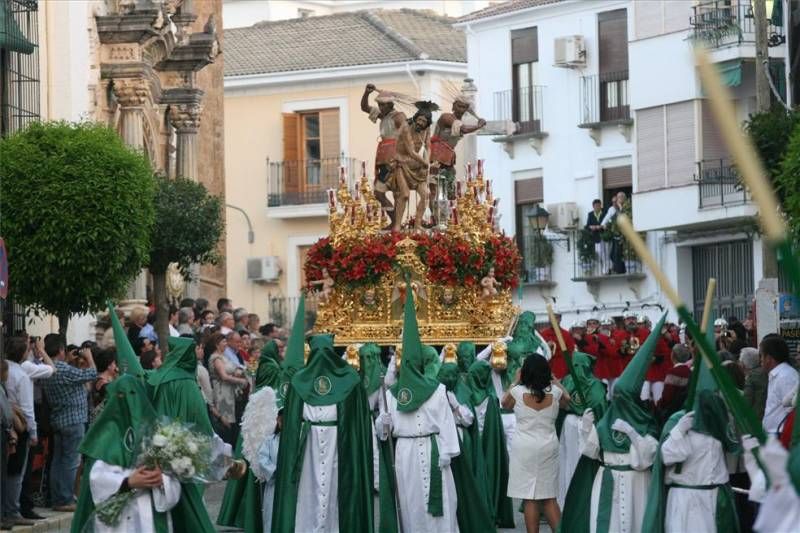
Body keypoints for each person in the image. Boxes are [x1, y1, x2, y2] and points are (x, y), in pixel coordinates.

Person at [569, 314, 665, 533]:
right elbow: (591, 452)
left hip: (637, 484)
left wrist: (633, 434)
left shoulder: (646, 424)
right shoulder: (605, 423)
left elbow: (648, 458)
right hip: (608, 481)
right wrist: (586, 427)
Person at [271, 334, 374, 532]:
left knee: (336, 487)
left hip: (339, 442)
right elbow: (292, 419)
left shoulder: (349, 379)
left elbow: (357, 420)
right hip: (309, 445)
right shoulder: (300, 381)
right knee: (308, 489)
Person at [378, 288, 460, 533]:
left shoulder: (437, 390)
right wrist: (381, 423)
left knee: (442, 503)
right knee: (411, 502)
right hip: (406, 453)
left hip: (434, 451)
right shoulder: (392, 395)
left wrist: (447, 450)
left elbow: (446, 422)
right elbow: (385, 432)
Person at [70, 374, 181, 533]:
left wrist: (162, 479)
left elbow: (173, 477)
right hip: (119, 522)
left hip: (150, 515)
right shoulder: (103, 437)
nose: (130, 402)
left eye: (134, 394)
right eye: (123, 395)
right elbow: (96, 479)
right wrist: (127, 482)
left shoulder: (156, 434)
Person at [643, 362, 741, 533]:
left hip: (715, 499)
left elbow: (732, 449)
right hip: (687, 502)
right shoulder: (678, 421)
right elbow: (666, 457)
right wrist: (679, 432)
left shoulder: (718, 419)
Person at [148, 337, 233, 533]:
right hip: (185, 449)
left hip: (162, 443)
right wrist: (216, 445)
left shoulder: (161, 376)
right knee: (190, 504)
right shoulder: (186, 381)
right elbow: (200, 418)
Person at [216, 339, 282, 532]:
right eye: (278, 347)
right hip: (262, 425)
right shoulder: (270, 371)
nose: (281, 350)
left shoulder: (266, 366)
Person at [502, 354, 570, 533]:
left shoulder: (517, 392)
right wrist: (555, 381)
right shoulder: (555, 393)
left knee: (529, 498)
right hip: (548, 446)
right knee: (549, 497)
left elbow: (504, 403)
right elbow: (568, 401)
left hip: (524, 447)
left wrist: (515, 381)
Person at [42, 334, 97, 513]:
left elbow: (79, 382)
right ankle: (65, 499)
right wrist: (89, 358)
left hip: (58, 419)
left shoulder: (47, 369)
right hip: (73, 420)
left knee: (58, 461)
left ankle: (57, 497)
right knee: (71, 461)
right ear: (60, 350)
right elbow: (91, 374)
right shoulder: (63, 369)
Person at [556, 351, 608, 509]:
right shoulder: (595, 384)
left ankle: (566, 500)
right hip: (587, 422)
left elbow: (560, 403)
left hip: (570, 423)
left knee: (568, 460)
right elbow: (600, 405)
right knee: (579, 459)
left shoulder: (566, 380)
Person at [429, 93, 485, 220]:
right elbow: (463, 129)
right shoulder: (446, 118)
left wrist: (478, 124)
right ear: (454, 106)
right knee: (436, 191)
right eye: (459, 106)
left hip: (448, 159)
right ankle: (436, 218)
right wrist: (478, 125)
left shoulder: (459, 121)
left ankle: (448, 218)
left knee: (451, 192)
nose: (462, 110)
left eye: (464, 107)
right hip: (437, 159)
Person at [2, 337, 38, 526]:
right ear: (23, 353)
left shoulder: (5, 368)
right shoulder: (22, 375)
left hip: (6, 425)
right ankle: (12, 510)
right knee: (16, 472)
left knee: (6, 470)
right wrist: (33, 433)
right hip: (18, 426)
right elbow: (27, 408)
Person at [361, 84, 407, 227]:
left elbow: (406, 132)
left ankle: (396, 222)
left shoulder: (398, 116)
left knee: (393, 192)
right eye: (379, 105)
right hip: (383, 158)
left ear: (390, 105)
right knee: (378, 193)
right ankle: (395, 221)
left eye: (382, 105)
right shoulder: (384, 116)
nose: (380, 108)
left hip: (394, 159)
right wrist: (366, 93)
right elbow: (364, 108)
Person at [391, 102, 434, 231]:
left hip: (416, 165)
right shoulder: (406, 127)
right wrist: (424, 162)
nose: (421, 123)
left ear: (427, 123)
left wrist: (427, 160)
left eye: (424, 121)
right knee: (404, 195)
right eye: (419, 119)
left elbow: (428, 146)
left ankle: (417, 225)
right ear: (415, 118)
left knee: (426, 194)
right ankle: (397, 225)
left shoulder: (426, 129)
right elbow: (410, 151)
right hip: (402, 163)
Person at [208, 333, 249, 444]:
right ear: (217, 344)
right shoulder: (216, 358)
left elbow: (232, 369)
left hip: (230, 393)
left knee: (233, 425)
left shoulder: (223, 357)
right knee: (226, 425)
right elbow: (223, 376)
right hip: (222, 393)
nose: (226, 344)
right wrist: (241, 381)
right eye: (224, 342)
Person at [761, 335, 799, 434]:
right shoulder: (777, 374)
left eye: (761, 355)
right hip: (774, 435)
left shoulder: (785, 376)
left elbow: (792, 412)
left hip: (781, 435)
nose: (760, 360)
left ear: (769, 358)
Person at [656, 343, 693, 422]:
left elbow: (667, 397)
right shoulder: (690, 372)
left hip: (672, 413)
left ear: (673, 355)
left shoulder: (673, 372)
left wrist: (658, 405)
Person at [600, 192, 627, 274]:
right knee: (613, 254)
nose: (614, 203)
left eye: (616, 201)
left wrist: (620, 208)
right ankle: (617, 269)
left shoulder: (624, 207)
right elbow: (605, 220)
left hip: (624, 235)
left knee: (619, 254)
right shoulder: (611, 209)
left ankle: (621, 270)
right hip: (615, 235)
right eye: (613, 202)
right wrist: (604, 225)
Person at [742, 346, 768, 422]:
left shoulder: (751, 377)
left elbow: (746, 402)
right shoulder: (767, 372)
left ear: (743, 365)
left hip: (756, 420)